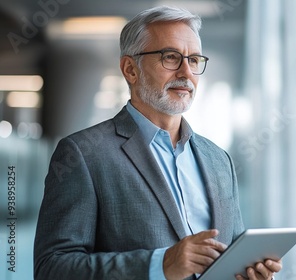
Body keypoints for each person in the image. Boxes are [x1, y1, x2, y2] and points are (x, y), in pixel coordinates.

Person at [34, 6, 281, 280]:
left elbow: (229, 257)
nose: (186, 72)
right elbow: (52, 269)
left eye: (194, 59)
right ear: (130, 69)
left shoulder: (219, 159)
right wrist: (159, 264)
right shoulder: (83, 154)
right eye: (171, 57)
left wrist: (249, 273)